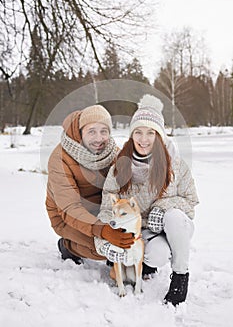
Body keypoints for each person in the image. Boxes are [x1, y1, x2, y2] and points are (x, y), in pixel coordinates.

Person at [95, 94, 199, 306]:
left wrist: (162, 207)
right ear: (132, 135)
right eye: (138, 132)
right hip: (141, 234)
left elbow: (191, 203)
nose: (144, 139)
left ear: (159, 135)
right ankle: (143, 262)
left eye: (151, 133)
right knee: (156, 255)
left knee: (174, 216)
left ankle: (180, 276)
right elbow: (108, 206)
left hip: (170, 228)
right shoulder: (120, 166)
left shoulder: (176, 166)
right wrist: (103, 241)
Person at [46, 105, 135, 264]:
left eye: (104, 131)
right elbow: (69, 207)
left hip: (103, 210)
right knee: (102, 248)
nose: (99, 138)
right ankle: (68, 245)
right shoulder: (60, 159)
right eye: (91, 131)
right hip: (66, 216)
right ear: (80, 133)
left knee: (130, 239)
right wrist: (103, 230)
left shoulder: (113, 153)